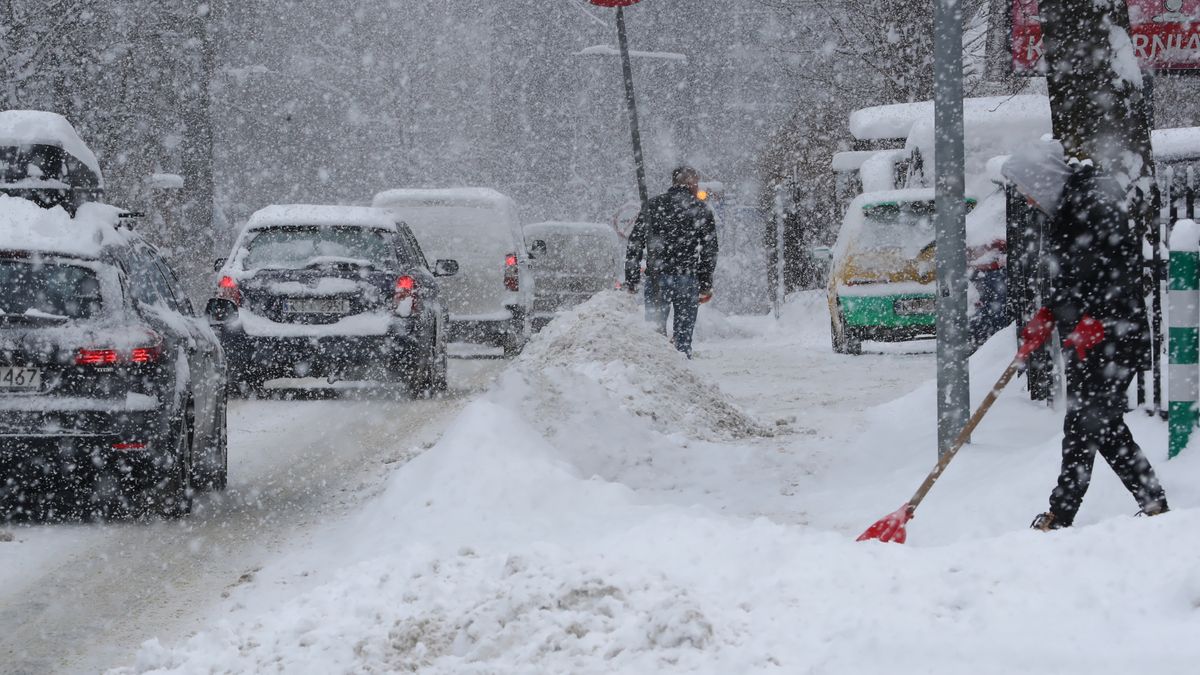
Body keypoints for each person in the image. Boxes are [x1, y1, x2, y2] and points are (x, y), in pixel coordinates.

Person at [1003, 145, 1168, 530]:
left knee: (1083, 424)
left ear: (1043, 179)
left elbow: (1114, 269)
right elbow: (1074, 277)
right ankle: (1154, 503)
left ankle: (1061, 515)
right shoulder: (1068, 208)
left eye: (1028, 187)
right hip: (1093, 336)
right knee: (1104, 427)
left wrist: (1098, 316)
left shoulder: (1091, 204)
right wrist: (1050, 314)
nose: (1027, 197)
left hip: (1112, 337)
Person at [624, 166, 718, 357]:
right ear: (690, 183)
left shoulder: (653, 206)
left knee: (654, 335)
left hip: (657, 277)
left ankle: (657, 367)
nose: (696, 187)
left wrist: (632, 279)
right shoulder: (700, 209)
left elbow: (634, 244)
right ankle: (682, 364)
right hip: (687, 278)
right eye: (696, 183)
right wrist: (705, 282)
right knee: (683, 337)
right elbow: (709, 250)